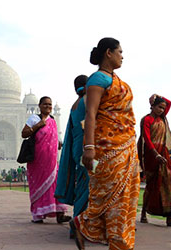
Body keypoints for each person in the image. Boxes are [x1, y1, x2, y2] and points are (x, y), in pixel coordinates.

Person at [69, 37, 140, 250]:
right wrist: (88, 148)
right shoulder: (97, 80)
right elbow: (90, 114)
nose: (122, 56)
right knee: (109, 193)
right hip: (106, 146)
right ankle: (117, 242)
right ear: (108, 53)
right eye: (119, 51)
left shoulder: (115, 79)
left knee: (125, 193)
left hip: (125, 144)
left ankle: (84, 226)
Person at [139, 94, 171, 227]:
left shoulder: (162, 118)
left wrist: (157, 96)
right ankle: (143, 213)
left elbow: (169, 103)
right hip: (150, 155)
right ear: (153, 106)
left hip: (163, 154)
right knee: (151, 185)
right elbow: (147, 139)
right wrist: (155, 154)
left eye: (163, 108)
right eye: (159, 107)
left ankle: (170, 217)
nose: (161, 110)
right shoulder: (147, 120)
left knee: (167, 183)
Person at [21, 96, 70, 224]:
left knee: (56, 184)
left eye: (50, 104)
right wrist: (37, 125)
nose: (48, 106)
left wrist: (58, 143)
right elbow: (24, 133)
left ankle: (60, 214)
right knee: (39, 185)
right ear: (39, 106)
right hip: (38, 160)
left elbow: (56, 138)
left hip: (52, 161)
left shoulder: (53, 120)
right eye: (45, 104)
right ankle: (38, 215)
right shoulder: (34, 118)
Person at [55, 74, 90, 238]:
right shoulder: (88, 101)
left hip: (78, 150)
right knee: (91, 185)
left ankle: (79, 222)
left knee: (84, 185)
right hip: (88, 149)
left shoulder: (75, 104)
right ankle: (80, 224)